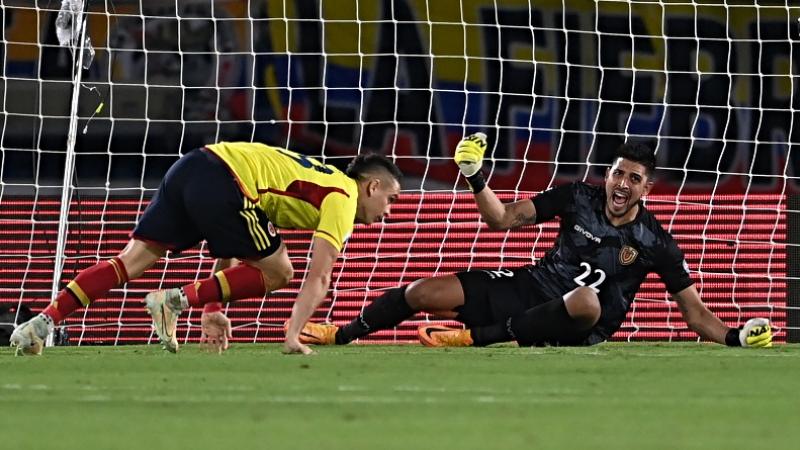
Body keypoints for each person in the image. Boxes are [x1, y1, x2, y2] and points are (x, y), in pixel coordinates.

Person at [293, 134, 773, 349]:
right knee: (424, 291)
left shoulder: (656, 242)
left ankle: (474, 339)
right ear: (606, 175)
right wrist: (475, 176)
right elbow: (501, 220)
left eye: (633, 179)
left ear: (647, 188)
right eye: (616, 174)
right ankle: (345, 333)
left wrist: (734, 338)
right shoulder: (575, 197)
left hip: (579, 323)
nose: (621, 184)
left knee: (587, 300)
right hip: (531, 287)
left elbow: (694, 313)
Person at [11, 142, 402, 356]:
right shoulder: (343, 197)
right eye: (390, 200)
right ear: (372, 186)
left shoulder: (319, 180)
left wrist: (213, 309)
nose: (387, 212)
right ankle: (172, 302)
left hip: (193, 166)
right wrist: (293, 333)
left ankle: (40, 323)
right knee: (280, 271)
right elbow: (319, 275)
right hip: (225, 181)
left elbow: (234, 241)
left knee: (132, 261)